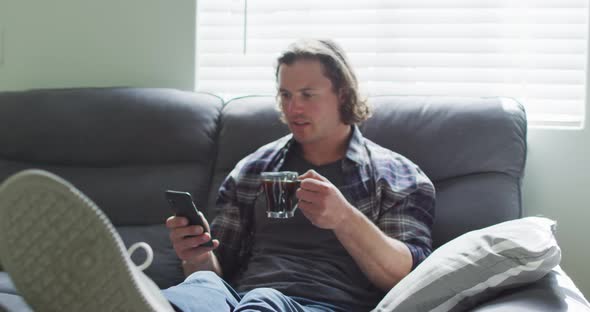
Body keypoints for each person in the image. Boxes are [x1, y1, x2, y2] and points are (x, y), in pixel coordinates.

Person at [0, 39, 435, 312]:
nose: (292, 107)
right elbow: (220, 266)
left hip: (325, 304)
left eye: (307, 94)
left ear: (343, 94)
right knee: (201, 286)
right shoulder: (254, 169)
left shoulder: (396, 176)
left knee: (261, 301)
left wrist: (344, 218)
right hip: (238, 296)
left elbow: (404, 275)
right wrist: (194, 253)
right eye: (284, 94)